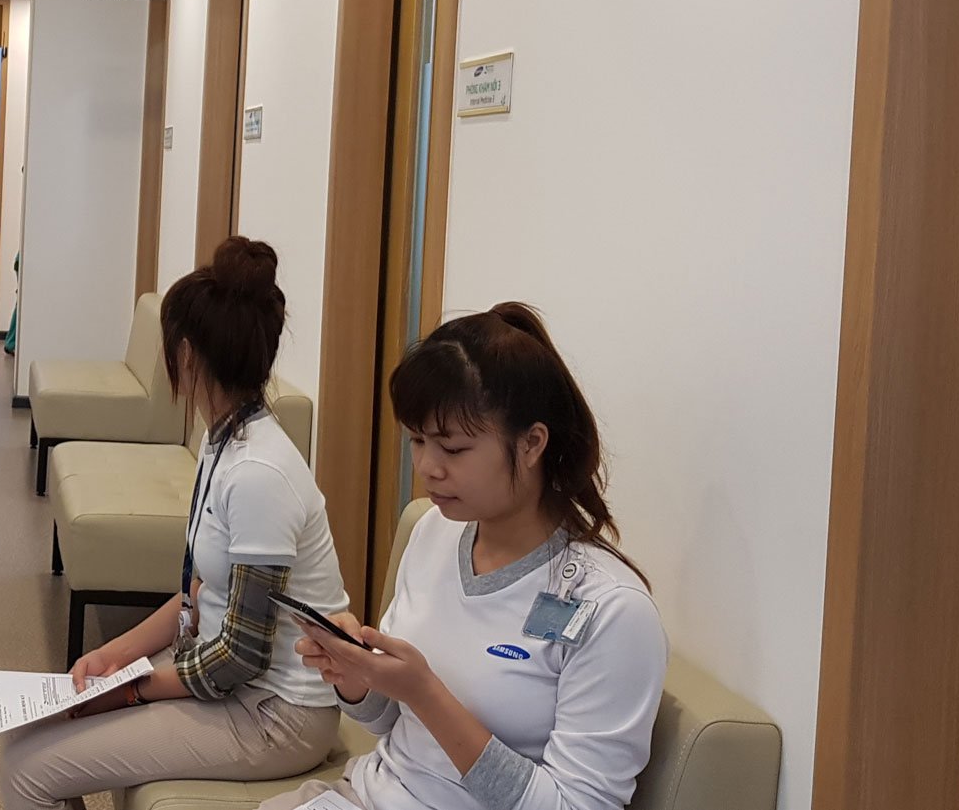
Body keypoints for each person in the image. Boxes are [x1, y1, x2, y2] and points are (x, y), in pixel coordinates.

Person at [260, 304, 667, 810]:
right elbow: (394, 725)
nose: (428, 467)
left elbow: (576, 805)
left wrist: (426, 692)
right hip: (364, 794)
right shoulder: (433, 531)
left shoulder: (610, 608)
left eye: (453, 449)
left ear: (531, 444)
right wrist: (358, 680)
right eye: (417, 440)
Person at [0, 237, 348, 809]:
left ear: (185, 354)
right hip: (231, 678)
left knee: (26, 772)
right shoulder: (227, 437)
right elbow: (200, 594)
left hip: (276, 713)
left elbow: (242, 655)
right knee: (26, 736)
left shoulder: (258, 473)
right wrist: (114, 657)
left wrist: (129, 691)